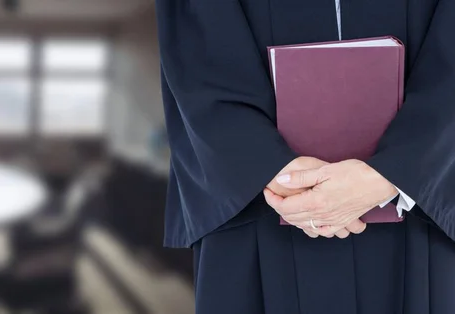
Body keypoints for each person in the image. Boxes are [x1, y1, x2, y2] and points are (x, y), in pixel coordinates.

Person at [156, 0, 455, 313]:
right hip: (258, 206)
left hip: (419, 207)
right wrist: (269, 166)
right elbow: (197, 34)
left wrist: (399, 169)